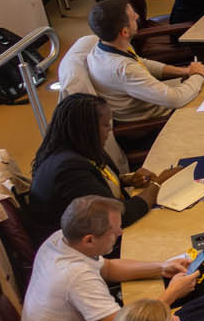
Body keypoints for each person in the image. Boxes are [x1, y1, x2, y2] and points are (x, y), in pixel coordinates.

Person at [21, 195, 195, 321]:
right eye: (114, 231)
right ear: (89, 240)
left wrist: (161, 267)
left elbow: (108, 268)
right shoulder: (76, 277)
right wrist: (172, 293)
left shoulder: (60, 239)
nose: (120, 232)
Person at [58, 0, 204, 130]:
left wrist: (186, 71)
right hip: (158, 121)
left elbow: (142, 63)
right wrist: (198, 74)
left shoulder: (104, 47)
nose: (137, 16)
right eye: (132, 16)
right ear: (124, 32)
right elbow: (175, 99)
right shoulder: (123, 69)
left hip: (158, 100)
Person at [25, 93, 152, 241]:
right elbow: (118, 216)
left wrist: (127, 180)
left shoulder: (77, 147)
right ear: (86, 128)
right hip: (81, 249)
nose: (109, 130)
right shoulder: (69, 171)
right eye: (105, 125)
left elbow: (95, 181)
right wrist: (156, 186)